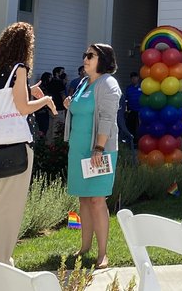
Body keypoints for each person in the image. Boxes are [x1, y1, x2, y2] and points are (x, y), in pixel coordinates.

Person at [0, 23, 56, 264]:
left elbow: (12, 97)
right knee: (11, 207)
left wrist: (29, 89)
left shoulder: (0, 69)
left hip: (0, 145)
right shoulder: (20, 68)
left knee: (2, 203)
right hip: (18, 145)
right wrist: (45, 100)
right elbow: (23, 108)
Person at [63, 43, 121, 269]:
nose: (85, 59)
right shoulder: (83, 83)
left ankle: (102, 253)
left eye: (91, 55)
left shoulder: (108, 83)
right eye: (85, 55)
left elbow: (107, 118)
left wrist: (98, 148)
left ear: (103, 59)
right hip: (78, 150)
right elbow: (81, 110)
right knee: (84, 198)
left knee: (97, 199)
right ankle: (84, 247)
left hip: (99, 150)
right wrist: (69, 104)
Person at [118, 73, 142, 148]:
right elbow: (125, 99)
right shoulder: (129, 88)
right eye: (132, 78)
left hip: (140, 111)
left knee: (139, 127)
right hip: (131, 111)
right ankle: (132, 142)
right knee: (131, 127)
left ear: (138, 78)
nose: (134, 80)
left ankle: (139, 142)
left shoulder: (142, 87)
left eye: (135, 78)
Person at [34, 71, 55, 138]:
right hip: (41, 110)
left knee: (45, 127)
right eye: (50, 77)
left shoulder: (47, 86)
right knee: (42, 127)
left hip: (44, 110)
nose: (51, 79)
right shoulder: (42, 87)